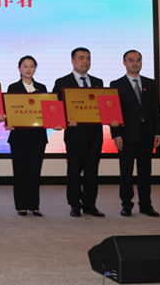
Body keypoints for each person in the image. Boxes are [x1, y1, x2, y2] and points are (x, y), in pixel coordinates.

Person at [53, 47, 116, 218]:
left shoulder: (97, 82)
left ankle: (90, 204)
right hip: (74, 134)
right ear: (72, 61)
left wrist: (112, 118)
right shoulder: (62, 82)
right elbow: (56, 108)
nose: (85, 61)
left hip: (95, 134)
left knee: (92, 171)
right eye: (81, 58)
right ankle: (75, 204)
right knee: (74, 170)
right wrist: (65, 120)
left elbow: (104, 107)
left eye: (88, 58)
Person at [110, 50, 160, 218]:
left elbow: (156, 109)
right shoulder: (116, 84)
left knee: (145, 171)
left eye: (138, 60)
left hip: (147, 134)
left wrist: (158, 132)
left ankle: (146, 205)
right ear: (124, 63)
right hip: (126, 135)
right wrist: (116, 135)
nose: (135, 63)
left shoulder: (150, 83)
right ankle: (126, 204)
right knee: (126, 172)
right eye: (131, 60)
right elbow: (113, 112)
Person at [3, 56, 56, 217]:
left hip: (38, 136)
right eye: (25, 66)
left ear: (35, 69)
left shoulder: (42, 87)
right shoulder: (13, 88)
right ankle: (21, 205)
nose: (28, 69)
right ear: (19, 68)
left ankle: (34, 205)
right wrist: (8, 122)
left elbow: (47, 111)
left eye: (31, 66)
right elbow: (9, 110)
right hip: (19, 137)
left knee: (34, 171)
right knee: (20, 172)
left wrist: (55, 121)